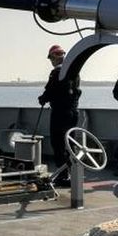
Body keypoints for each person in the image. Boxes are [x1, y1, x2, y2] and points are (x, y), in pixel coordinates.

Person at [38, 45, 81, 186]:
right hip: (73, 113)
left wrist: (43, 99)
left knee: (58, 144)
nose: (51, 61)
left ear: (56, 56)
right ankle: (73, 174)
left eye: (51, 58)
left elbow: (50, 90)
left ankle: (63, 175)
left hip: (60, 114)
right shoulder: (75, 72)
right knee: (70, 144)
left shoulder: (57, 72)